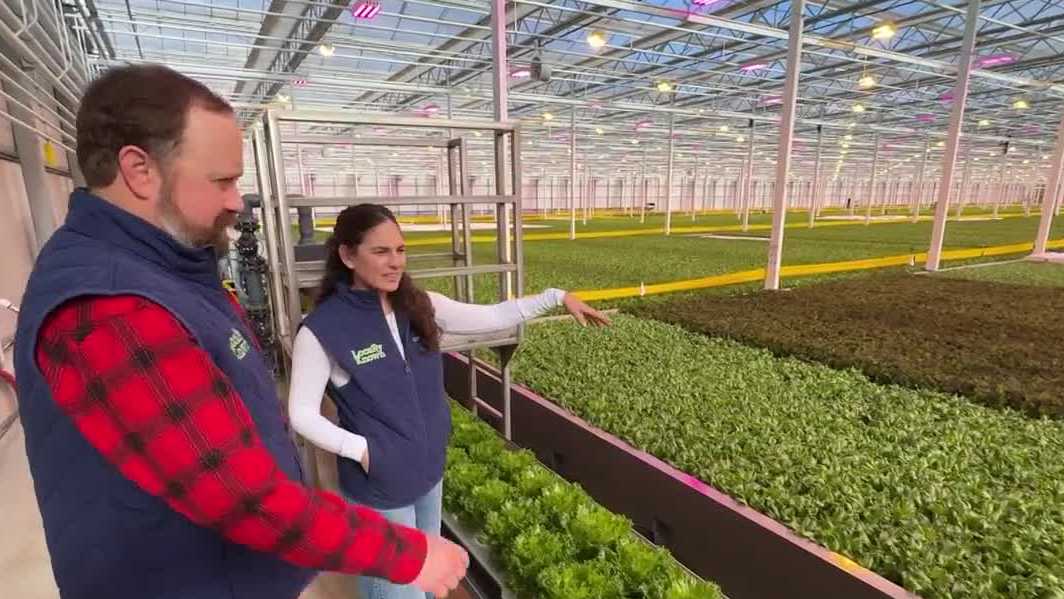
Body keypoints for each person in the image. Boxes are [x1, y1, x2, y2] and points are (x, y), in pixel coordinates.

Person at [13, 64, 467, 599]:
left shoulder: (168, 271)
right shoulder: (110, 308)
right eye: (222, 180)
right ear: (139, 170)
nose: (236, 201)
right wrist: (407, 553)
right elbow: (239, 495)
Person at [289, 204, 609, 599]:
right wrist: (363, 450)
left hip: (428, 475)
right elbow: (301, 412)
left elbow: (493, 316)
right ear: (348, 255)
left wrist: (557, 296)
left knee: (428, 585)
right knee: (397, 593)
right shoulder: (323, 329)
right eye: (381, 252)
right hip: (380, 489)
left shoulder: (421, 306)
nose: (395, 263)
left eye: (401, 250)